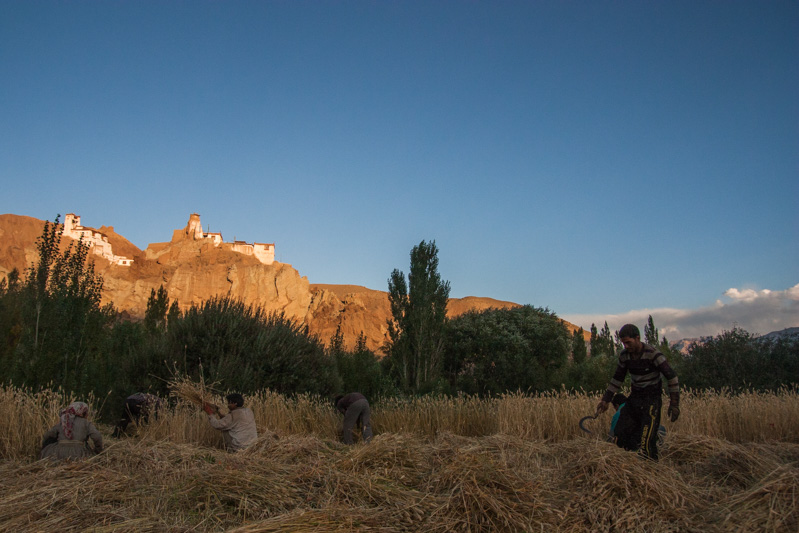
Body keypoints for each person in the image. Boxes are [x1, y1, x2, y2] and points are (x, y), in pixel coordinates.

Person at [595, 323, 680, 461]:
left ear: (637, 338)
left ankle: (650, 467)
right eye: (623, 343)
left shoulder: (653, 354)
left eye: (628, 342)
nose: (626, 346)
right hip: (634, 398)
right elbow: (617, 378)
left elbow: (672, 377)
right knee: (620, 433)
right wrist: (606, 400)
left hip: (651, 400)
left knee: (647, 441)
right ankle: (630, 463)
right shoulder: (624, 356)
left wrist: (674, 404)